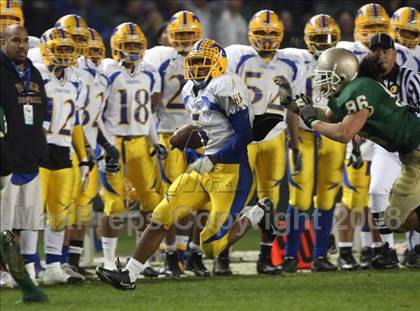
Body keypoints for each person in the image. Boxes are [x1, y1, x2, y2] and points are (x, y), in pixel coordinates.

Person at [96, 38, 276, 290]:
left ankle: (258, 213)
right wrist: (189, 143)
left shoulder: (227, 84)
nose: (197, 68)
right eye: (194, 63)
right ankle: (129, 274)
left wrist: (213, 158)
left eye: (204, 63)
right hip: (202, 168)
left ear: (218, 64)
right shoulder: (189, 89)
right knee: (161, 215)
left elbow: (244, 135)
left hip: (231, 173)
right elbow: (206, 127)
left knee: (211, 246)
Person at [277, 47, 420, 236]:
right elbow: (330, 118)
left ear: (342, 76)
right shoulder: (350, 91)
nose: (321, 81)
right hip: (411, 154)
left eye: (325, 76)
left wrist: (312, 120)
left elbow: (344, 133)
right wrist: (294, 106)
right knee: (391, 221)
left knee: (392, 221)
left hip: (416, 151)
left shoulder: (359, 89)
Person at [335, 3, 410, 269]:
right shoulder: (349, 57)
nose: (382, 55)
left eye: (380, 29)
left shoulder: (405, 63)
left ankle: (383, 247)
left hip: (398, 138)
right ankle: (359, 248)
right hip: (365, 133)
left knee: (388, 194)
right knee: (357, 194)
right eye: (370, 29)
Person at [225, 9, 299, 275]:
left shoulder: (291, 63)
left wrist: (295, 140)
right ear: (250, 35)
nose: (267, 39)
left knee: (271, 198)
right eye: (261, 33)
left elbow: (292, 106)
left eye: (271, 34)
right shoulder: (237, 57)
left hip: (275, 137)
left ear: (280, 35)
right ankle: (223, 256)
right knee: (233, 197)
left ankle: (266, 257)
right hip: (243, 138)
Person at [143, 11, 209, 277]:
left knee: (200, 198)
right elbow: (143, 99)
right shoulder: (157, 57)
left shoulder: (208, 58)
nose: (184, 40)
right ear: (169, 35)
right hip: (168, 133)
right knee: (171, 198)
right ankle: (171, 254)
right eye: (179, 35)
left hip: (199, 134)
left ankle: (186, 252)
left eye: (189, 35)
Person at [99, 22, 166, 274]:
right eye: (127, 45)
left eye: (136, 45)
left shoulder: (150, 72)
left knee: (151, 202)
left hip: (140, 142)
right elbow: (98, 114)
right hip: (115, 140)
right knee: (115, 205)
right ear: (116, 47)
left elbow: (147, 113)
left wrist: (156, 141)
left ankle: (141, 261)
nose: (133, 50)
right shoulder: (108, 71)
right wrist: (106, 146)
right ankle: (107, 260)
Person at [281, 14, 347, 272]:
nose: (325, 43)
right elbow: (292, 105)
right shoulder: (298, 62)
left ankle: (320, 256)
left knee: (328, 195)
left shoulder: (344, 63)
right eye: (319, 38)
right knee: (299, 196)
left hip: (333, 135)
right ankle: (290, 256)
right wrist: (294, 139)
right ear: (308, 39)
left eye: (329, 38)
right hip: (306, 136)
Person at [0, 24, 48, 303]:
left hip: (28, 160)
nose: (21, 45)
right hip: (5, 162)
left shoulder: (34, 72)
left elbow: (40, 113)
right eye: (15, 40)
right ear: (3, 41)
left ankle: (27, 281)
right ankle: (27, 285)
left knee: (18, 227)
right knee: (5, 231)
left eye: (24, 41)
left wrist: (38, 150)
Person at [368, 33, 420, 268]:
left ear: (395, 54)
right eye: (376, 51)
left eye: (385, 51)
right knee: (377, 191)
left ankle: (416, 247)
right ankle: (386, 249)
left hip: (414, 149)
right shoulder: (368, 82)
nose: (381, 56)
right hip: (386, 148)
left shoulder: (411, 79)